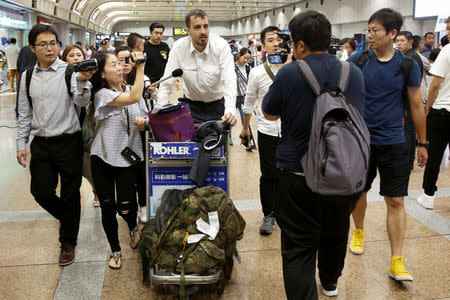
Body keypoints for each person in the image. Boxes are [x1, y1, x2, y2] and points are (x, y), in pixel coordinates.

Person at [262, 11, 365, 298]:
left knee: (297, 245)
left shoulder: (290, 72)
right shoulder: (353, 73)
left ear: (301, 45)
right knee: (335, 232)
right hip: (342, 172)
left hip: (296, 172)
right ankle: (330, 283)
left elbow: (269, 113)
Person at [347, 8, 427, 281]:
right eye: (368, 30)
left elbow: (417, 105)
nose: (369, 35)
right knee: (359, 191)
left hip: (394, 141)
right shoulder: (358, 59)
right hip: (361, 140)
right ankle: (358, 231)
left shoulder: (407, 65)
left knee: (395, 199)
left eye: (375, 31)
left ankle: (397, 260)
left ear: (393, 33)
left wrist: (423, 143)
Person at [16, 24, 94, 266]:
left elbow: (81, 101)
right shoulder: (27, 76)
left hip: (68, 141)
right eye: (43, 44)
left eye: (53, 43)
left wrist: (82, 81)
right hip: (41, 143)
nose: (50, 48)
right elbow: (24, 112)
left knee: (70, 194)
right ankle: (69, 219)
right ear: (32, 48)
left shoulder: (69, 71)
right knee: (40, 191)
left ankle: (67, 243)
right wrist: (21, 143)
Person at [89, 50, 148, 269]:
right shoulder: (102, 94)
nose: (120, 67)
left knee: (126, 206)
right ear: (102, 73)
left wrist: (143, 122)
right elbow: (131, 99)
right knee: (107, 206)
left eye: (120, 63)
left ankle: (132, 226)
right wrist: (140, 68)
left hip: (129, 156)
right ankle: (115, 250)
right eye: (113, 65)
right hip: (102, 157)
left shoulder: (134, 90)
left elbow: (142, 110)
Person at [241, 26, 289, 236]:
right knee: (269, 175)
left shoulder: (296, 68)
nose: (276, 43)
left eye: (278, 39)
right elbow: (250, 101)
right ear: (263, 45)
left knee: (291, 175)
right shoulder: (258, 73)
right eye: (270, 40)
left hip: (292, 132)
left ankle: (288, 214)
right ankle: (269, 214)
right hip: (267, 131)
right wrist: (245, 129)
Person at [155, 9, 237, 126]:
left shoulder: (221, 46)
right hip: (191, 107)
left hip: (218, 106)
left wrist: (230, 110)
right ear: (188, 30)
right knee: (191, 143)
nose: (203, 31)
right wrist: (161, 111)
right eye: (197, 27)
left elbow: (229, 80)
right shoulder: (179, 48)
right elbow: (167, 83)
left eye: (206, 26)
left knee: (217, 143)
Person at [115, 45, 155, 224]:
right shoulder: (108, 86)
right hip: (117, 139)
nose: (124, 64)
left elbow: (148, 107)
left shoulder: (142, 80)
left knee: (141, 171)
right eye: (119, 60)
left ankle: (144, 205)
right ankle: (129, 206)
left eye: (128, 59)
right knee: (124, 175)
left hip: (138, 135)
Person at [417, 17, 450, 210]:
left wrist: (427, 109)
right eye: (446, 28)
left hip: (442, 112)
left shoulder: (446, 51)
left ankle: (428, 195)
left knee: (434, 155)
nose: (447, 32)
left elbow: (435, 85)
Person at [61, 44, 100, 208]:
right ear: (64, 59)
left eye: (79, 55)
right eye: (71, 55)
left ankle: (96, 190)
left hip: (87, 126)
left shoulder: (92, 75)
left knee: (88, 165)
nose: (76, 58)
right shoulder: (61, 77)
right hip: (68, 128)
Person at [15, 44, 37, 118]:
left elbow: (18, 62)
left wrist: (19, 70)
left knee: (21, 93)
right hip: (34, 72)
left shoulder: (23, 49)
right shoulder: (37, 49)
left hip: (23, 71)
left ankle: (18, 112)